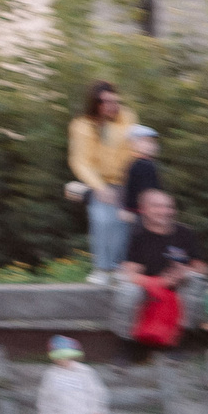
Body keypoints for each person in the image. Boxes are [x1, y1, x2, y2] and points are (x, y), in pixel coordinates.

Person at [113, 190, 208, 352]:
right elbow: (129, 273)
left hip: (180, 283)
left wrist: (185, 271)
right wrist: (159, 282)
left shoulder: (185, 233)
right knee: (128, 292)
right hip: (151, 287)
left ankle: (182, 341)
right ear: (143, 209)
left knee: (196, 282)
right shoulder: (138, 236)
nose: (165, 211)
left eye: (168, 207)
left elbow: (202, 268)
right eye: (157, 206)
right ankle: (127, 345)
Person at [68, 82, 137, 285]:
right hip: (98, 182)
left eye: (115, 100)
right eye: (105, 102)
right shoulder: (81, 126)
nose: (112, 105)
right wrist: (99, 187)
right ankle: (102, 268)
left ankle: (119, 267)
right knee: (102, 219)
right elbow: (80, 161)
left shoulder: (127, 117)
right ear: (95, 103)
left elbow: (131, 148)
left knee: (123, 223)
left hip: (125, 181)